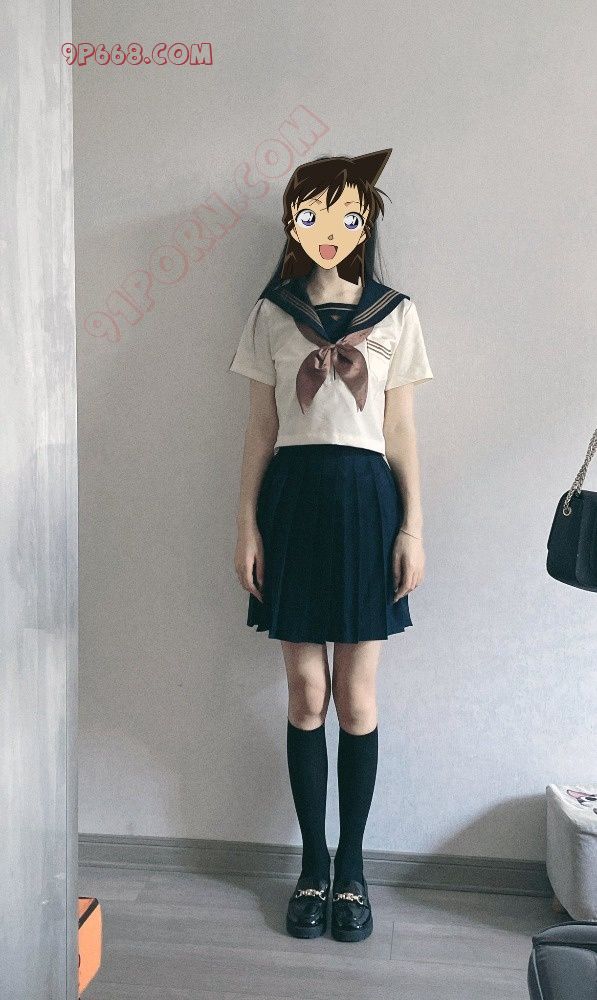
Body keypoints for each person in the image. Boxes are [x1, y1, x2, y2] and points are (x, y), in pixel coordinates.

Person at [227, 148, 434, 942]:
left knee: (355, 699)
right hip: (293, 504)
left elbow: (401, 430)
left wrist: (412, 527)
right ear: (292, 222)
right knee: (306, 695)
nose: (327, 228)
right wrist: (245, 525)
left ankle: (352, 872)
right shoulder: (271, 313)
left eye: (345, 214)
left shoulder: (396, 314)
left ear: (365, 222)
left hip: (366, 506)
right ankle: (311, 867)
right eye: (309, 213)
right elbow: (259, 428)